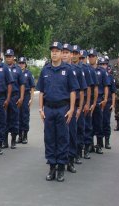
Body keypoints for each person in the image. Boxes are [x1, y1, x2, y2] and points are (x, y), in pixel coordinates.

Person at [36, 42, 79, 182]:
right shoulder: (45, 70)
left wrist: (72, 109)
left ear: (61, 53)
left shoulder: (68, 69)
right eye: (52, 51)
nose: (54, 53)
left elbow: (73, 91)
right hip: (48, 108)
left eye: (57, 51)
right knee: (49, 138)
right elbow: (41, 91)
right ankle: (52, 167)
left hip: (63, 108)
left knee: (62, 137)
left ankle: (61, 167)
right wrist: (41, 109)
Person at [62, 44, 85, 173]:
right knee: (59, 135)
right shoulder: (55, 68)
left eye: (67, 52)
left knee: (71, 133)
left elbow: (81, 91)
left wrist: (79, 108)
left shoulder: (77, 70)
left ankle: (70, 160)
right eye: (63, 52)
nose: (65, 54)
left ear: (72, 55)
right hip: (59, 105)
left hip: (72, 106)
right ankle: (60, 160)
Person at [72, 46, 93, 164]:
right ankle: (71, 152)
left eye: (76, 53)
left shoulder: (84, 69)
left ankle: (79, 152)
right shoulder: (68, 67)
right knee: (71, 130)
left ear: (79, 55)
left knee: (80, 128)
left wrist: (87, 103)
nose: (74, 55)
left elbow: (88, 88)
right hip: (70, 103)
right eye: (73, 53)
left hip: (81, 102)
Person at [88, 49, 109, 154]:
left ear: (96, 57)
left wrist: (105, 99)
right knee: (89, 123)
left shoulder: (102, 71)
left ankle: (99, 145)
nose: (91, 58)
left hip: (99, 99)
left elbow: (106, 86)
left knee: (99, 122)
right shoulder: (86, 70)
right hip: (89, 99)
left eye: (93, 56)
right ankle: (90, 145)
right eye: (90, 56)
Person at [79, 50, 99, 159]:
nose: (81, 60)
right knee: (78, 128)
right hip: (77, 102)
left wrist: (92, 103)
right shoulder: (73, 68)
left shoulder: (89, 70)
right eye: (80, 58)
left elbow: (93, 88)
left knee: (87, 126)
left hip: (86, 102)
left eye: (83, 58)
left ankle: (87, 147)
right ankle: (78, 148)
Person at [4, 49, 25, 148]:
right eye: (7, 56)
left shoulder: (18, 69)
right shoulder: (2, 68)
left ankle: (13, 140)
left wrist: (21, 97)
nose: (8, 58)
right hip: (4, 97)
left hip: (14, 97)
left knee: (14, 118)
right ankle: (4, 141)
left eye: (10, 56)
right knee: (4, 118)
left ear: (13, 58)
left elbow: (22, 84)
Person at [18, 57, 35, 144]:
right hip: (17, 96)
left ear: (25, 64)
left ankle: (25, 135)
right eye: (20, 63)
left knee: (24, 115)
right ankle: (19, 135)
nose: (21, 64)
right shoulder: (16, 72)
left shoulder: (28, 73)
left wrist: (31, 99)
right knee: (18, 115)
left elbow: (32, 87)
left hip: (26, 96)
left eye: (23, 63)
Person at [100, 57, 116, 149]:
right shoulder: (96, 74)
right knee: (98, 122)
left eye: (104, 64)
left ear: (107, 65)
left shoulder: (110, 77)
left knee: (106, 122)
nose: (103, 66)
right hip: (99, 101)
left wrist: (113, 104)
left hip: (108, 102)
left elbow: (113, 92)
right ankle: (99, 142)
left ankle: (107, 141)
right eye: (101, 64)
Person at [112, 55, 119, 131]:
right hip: (116, 92)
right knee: (116, 110)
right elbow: (113, 79)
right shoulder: (115, 68)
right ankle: (118, 125)